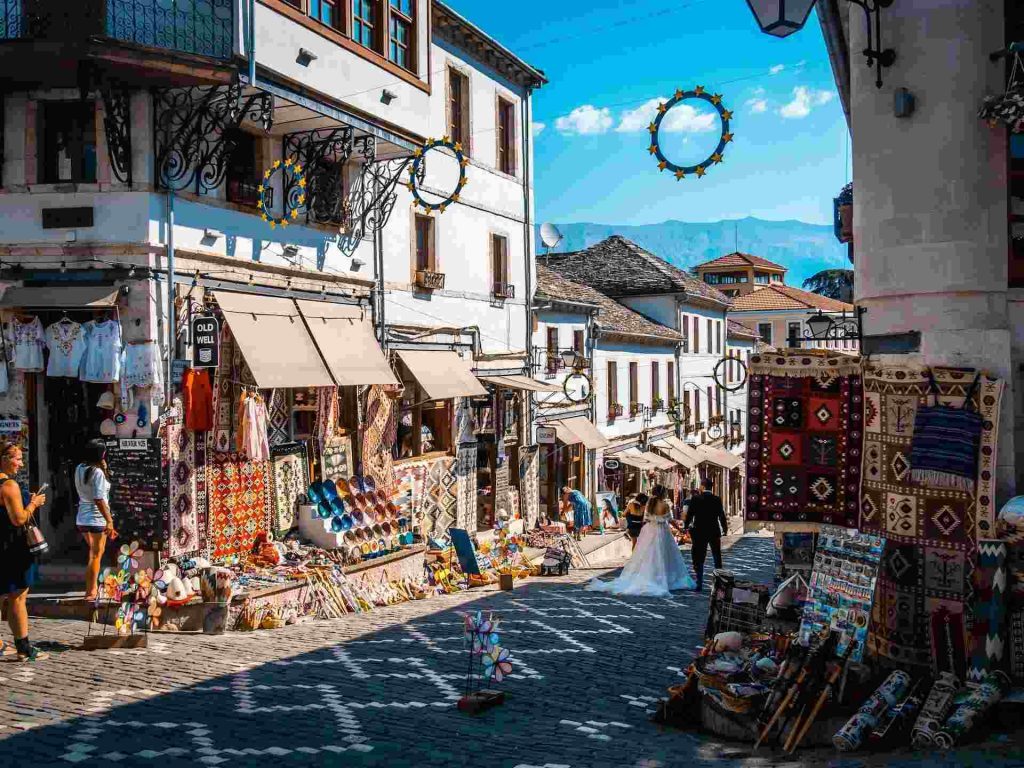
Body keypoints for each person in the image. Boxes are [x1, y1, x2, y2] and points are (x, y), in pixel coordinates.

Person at [586, 485, 695, 597]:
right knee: (664, 555)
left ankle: (648, 576)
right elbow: (670, 519)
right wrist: (679, 528)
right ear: (663, 494)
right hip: (662, 531)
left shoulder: (649, 504)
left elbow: (646, 519)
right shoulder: (665, 505)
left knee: (648, 555)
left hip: (650, 530)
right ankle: (665, 579)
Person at [0, 440, 48, 661]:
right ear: (4, 460)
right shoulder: (8, 486)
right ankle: (24, 648)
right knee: (18, 597)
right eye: (17, 458)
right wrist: (35, 503)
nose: (20, 464)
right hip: (13, 548)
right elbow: (19, 518)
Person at [75, 439, 116, 601]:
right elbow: (99, 499)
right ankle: (91, 592)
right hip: (96, 518)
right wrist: (109, 520)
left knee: (94, 554)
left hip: (83, 517)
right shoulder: (97, 473)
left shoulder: (80, 468)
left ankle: (91, 588)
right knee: (95, 556)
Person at [685, 477, 728, 592]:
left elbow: (689, 515)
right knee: (717, 557)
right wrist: (725, 528)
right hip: (714, 531)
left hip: (699, 531)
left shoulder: (696, 499)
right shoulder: (717, 499)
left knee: (699, 558)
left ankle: (699, 584)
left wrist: (685, 526)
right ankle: (720, 583)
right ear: (711, 487)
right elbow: (721, 516)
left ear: (703, 487)